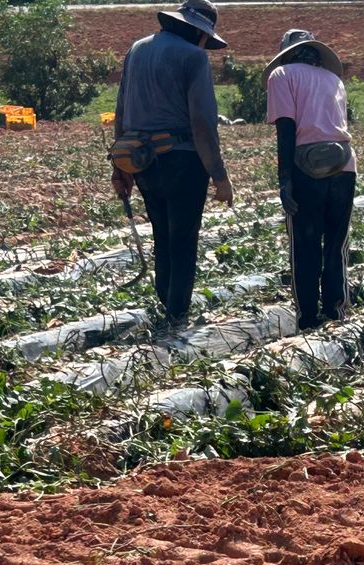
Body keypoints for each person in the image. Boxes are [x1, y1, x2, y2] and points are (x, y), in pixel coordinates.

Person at [113, 0, 234, 328]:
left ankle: (167, 302)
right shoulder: (194, 57)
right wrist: (220, 177)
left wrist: (119, 167)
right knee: (183, 238)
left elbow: (121, 112)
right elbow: (202, 126)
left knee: (162, 234)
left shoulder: (137, 50)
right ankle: (177, 314)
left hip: (141, 161)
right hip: (182, 159)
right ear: (198, 32)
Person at [264, 29, 356, 333]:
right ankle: (336, 310)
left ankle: (307, 318)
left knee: (305, 245)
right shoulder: (335, 80)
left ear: (288, 53)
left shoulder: (281, 75)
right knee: (335, 242)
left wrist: (284, 179)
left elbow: (286, 129)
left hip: (306, 168)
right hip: (344, 166)